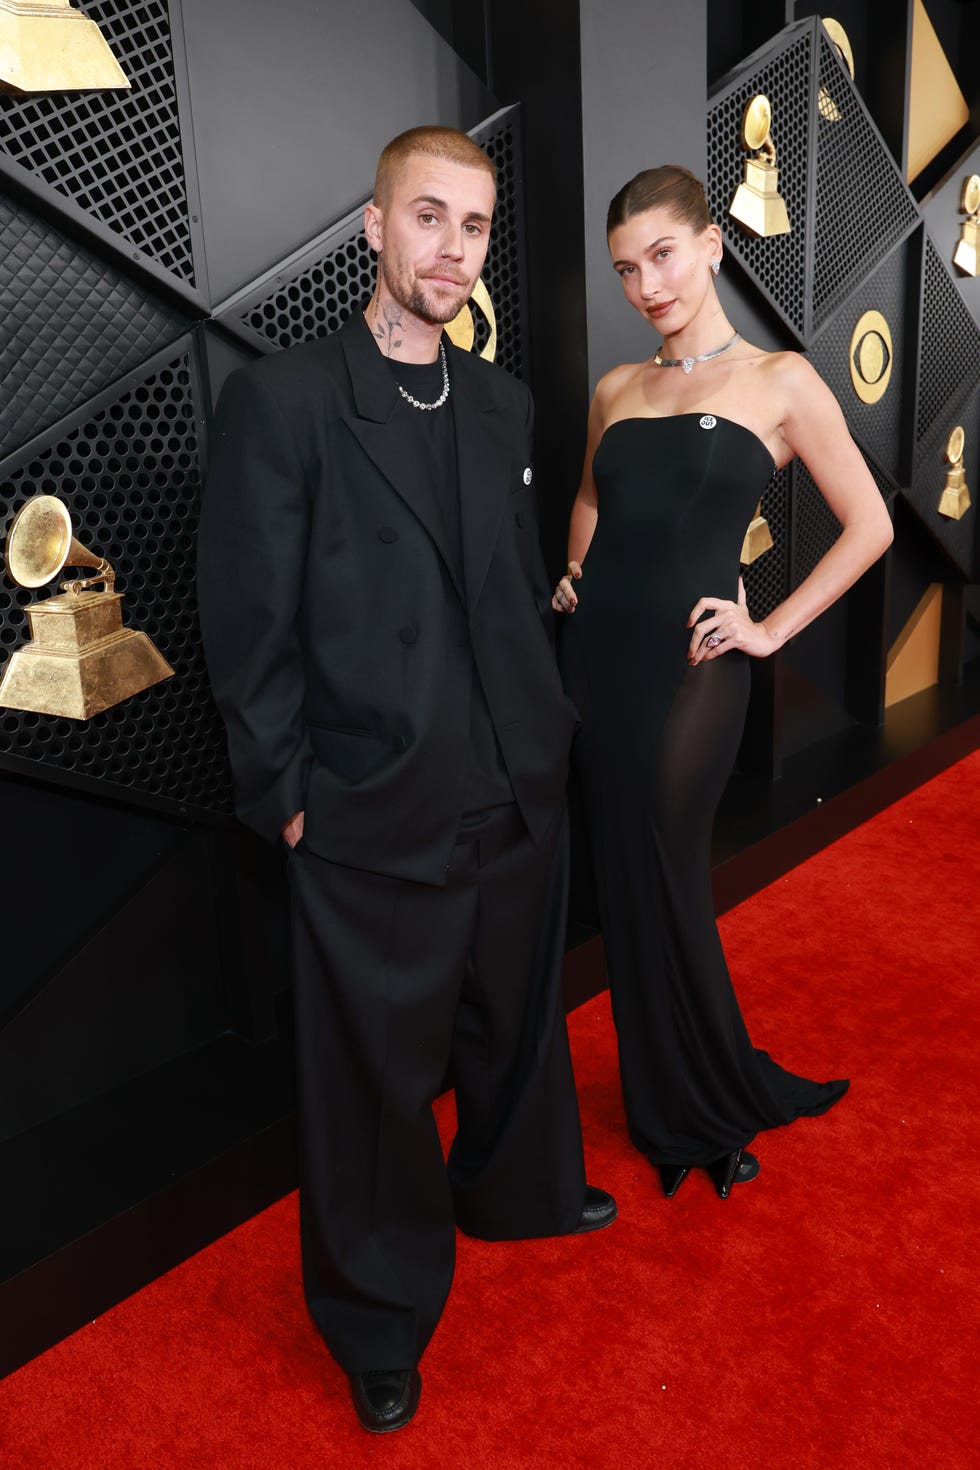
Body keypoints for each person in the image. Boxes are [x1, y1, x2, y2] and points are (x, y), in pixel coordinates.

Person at [197, 126, 615, 1436]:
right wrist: (284, 787)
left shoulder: (500, 399)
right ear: (373, 228)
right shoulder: (287, 398)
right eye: (426, 218)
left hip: (512, 771)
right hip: (368, 792)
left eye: (475, 225)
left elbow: (502, 577)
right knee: (373, 1075)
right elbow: (246, 612)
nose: (452, 247)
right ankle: (377, 1316)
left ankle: (517, 1188)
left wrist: (542, 731)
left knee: (512, 1013)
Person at [553, 165, 893, 1201]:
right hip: (597, 661)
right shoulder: (617, 390)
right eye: (624, 269)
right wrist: (574, 578)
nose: (645, 283)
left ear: (708, 245)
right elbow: (588, 503)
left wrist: (766, 627)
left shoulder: (780, 381)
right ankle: (673, 1094)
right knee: (623, 877)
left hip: (696, 664)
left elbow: (870, 524)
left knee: (663, 863)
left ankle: (699, 1102)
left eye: (660, 255)